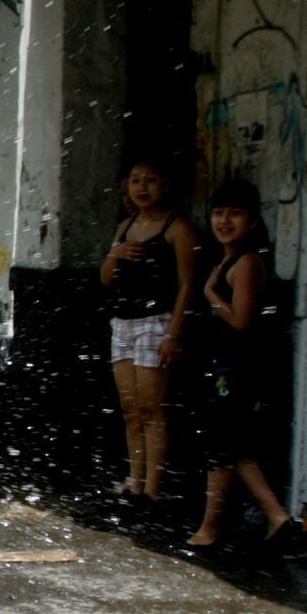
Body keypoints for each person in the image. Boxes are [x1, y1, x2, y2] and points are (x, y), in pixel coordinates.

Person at [185, 179, 299, 553]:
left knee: (221, 448)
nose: (224, 221)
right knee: (233, 448)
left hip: (237, 369)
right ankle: (277, 516)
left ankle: (209, 527)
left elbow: (240, 320)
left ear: (252, 222)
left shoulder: (246, 263)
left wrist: (210, 294)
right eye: (218, 213)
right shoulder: (227, 260)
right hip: (225, 367)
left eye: (235, 214)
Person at [99, 162, 199, 502]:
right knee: (130, 410)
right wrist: (115, 254)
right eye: (136, 181)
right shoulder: (126, 226)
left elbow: (187, 284)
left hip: (156, 322)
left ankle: (153, 490)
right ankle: (135, 480)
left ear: (166, 184)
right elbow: (106, 278)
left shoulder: (176, 227)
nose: (142, 188)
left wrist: (173, 334)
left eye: (151, 181)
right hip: (123, 323)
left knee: (151, 409)